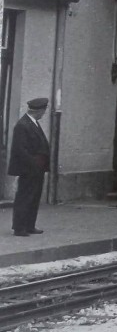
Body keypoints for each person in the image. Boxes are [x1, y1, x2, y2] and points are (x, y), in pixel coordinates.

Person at [8, 97, 50, 237]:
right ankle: (20, 228)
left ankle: (29, 225)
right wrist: (34, 164)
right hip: (29, 169)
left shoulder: (33, 123)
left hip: (37, 168)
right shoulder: (23, 125)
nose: (44, 113)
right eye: (43, 111)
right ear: (38, 111)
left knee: (34, 197)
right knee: (25, 197)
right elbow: (20, 149)